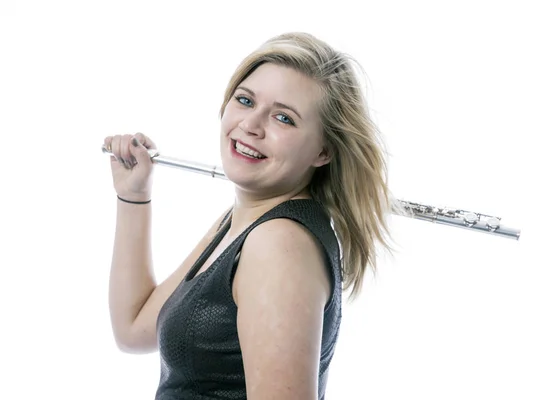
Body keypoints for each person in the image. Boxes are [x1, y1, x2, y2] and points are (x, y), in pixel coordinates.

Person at [105, 32, 397, 400]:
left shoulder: (278, 244)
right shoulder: (244, 220)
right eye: (245, 101)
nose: (251, 125)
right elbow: (133, 330)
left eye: (284, 118)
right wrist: (133, 196)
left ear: (323, 151)